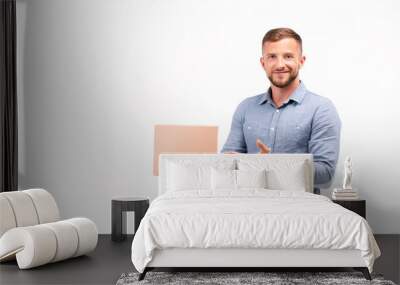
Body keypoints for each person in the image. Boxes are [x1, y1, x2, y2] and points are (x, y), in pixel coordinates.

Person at [221, 28, 341, 189]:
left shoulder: (321, 109)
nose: (280, 64)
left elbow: (325, 174)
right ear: (263, 63)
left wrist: (270, 164)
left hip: (299, 208)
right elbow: (225, 166)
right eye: (272, 57)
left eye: (288, 56)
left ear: (301, 61)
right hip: (249, 203)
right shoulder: (246, 108)